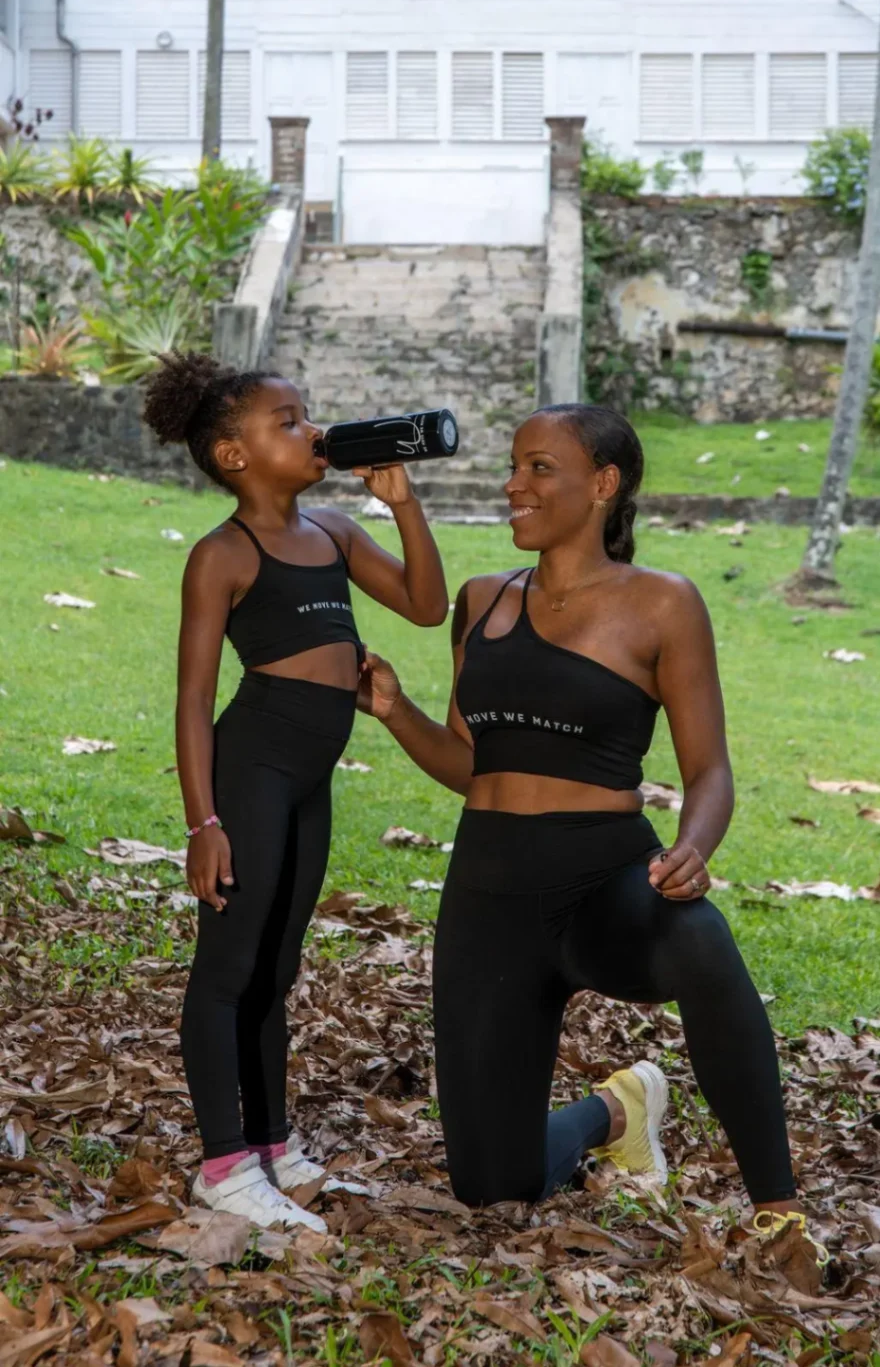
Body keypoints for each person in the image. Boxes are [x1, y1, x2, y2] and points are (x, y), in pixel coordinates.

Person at [358, 403, 820, 1252]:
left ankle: (780, 1209)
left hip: (604, 884)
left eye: (540, 467)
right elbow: (471, 762)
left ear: (602, 485)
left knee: (701, 940)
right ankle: (619, 1108)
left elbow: (709, 770)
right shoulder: (482, 600)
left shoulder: (662, 605)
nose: (514, 483)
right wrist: (394, 711)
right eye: (514, 465)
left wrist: (695, 846)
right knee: (492, 1186)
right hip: (488, 896)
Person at [143, 352, 448, 1231]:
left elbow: (425, 605)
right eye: (287, 420)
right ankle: (224, 1165)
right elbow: (195, 698)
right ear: (234, 456)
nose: (312, 429)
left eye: (308, 413)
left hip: (310, 777)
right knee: (230, 967)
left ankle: (272, 1146)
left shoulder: (337, 531)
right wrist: (203, 819)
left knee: (277, 966)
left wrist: (402, 502)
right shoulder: (223, 555)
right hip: (252, 768)